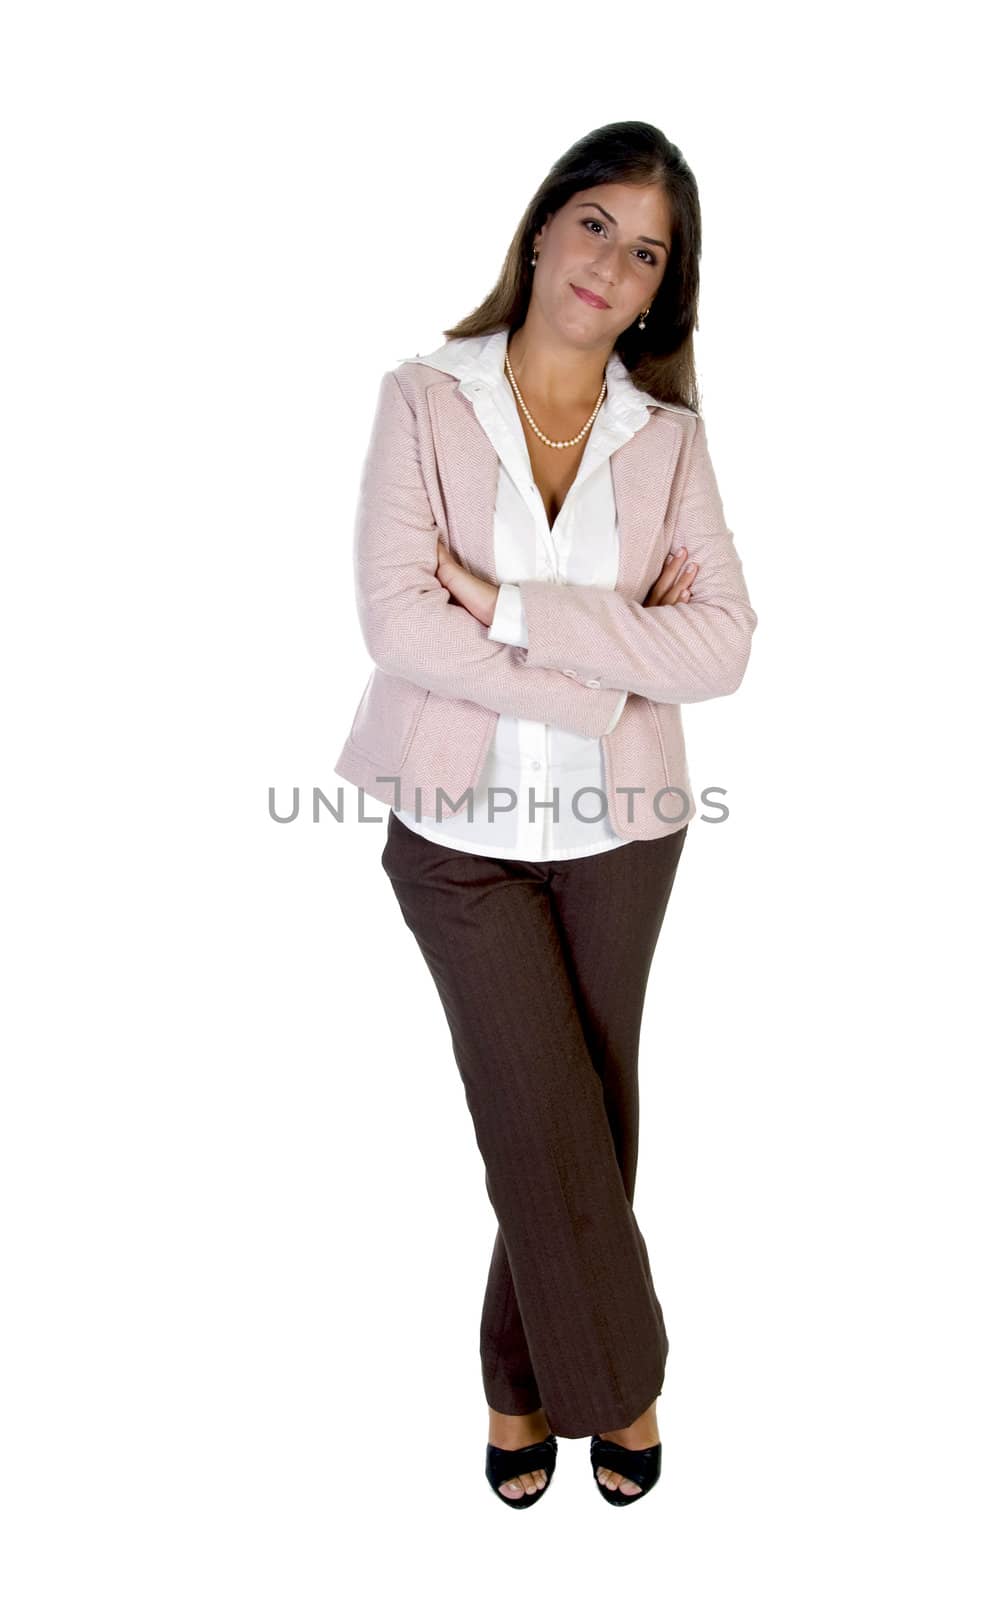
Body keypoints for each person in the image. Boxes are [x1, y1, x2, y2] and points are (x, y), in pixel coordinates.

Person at [334, 119, 757, 1508]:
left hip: (622, 839)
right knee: (537, 1110)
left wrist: (513, 609)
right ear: (539, 228)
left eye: (645, 254)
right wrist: (595, 678)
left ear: (656, 294)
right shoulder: (423, 398)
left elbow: (720, 648)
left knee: (582, 1116)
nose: (611, 264)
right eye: (596, 225)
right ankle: (620, 1384)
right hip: (457, 839)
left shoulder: (668, 439)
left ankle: (516, 1386)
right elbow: (397, 621)